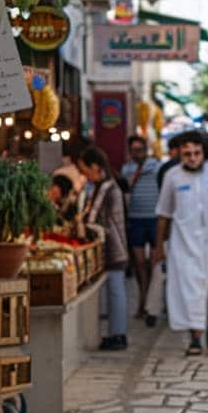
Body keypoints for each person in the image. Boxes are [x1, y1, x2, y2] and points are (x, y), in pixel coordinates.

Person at [153, 130, 208, 357]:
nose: (192, 158)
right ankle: (195, 337)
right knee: (190, 292)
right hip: (183, 245)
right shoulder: (172, 177)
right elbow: (164, 214)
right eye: (187, 154)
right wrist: (158, 246)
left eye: (196, 153)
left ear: (204, 152)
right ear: (179, 155)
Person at [78, 147, 130, 352]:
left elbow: (92, 218)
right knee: (115, 291)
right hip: (113, 246)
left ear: (95, 167)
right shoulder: (104, 186)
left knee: (116, 291)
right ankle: (116, 332)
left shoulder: (107, 187)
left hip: (113, 247)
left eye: (85, 170)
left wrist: (80, 222)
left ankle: (118, 335)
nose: (84, 175)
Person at [121, 134, 162, 327]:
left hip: (154, 219)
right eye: (134, 150)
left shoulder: (157, 166)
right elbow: (126, 188)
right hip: (135, 220)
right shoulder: (127, 168)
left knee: (153, 263)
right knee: (139, 264)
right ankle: (142, 300)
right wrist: (135, 175)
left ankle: (151, 304)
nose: (138, 154)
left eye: (140, 150)